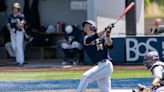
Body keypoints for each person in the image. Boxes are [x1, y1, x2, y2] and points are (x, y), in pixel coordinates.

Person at [77, 20, 114, 92]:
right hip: (99, 66)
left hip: (105, 64)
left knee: (86, 77)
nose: (84, 26)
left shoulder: (102, 38)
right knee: (106, 90)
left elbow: (110, 45)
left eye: (87, 25)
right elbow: (92, 38)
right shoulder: (84, 38)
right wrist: (105, 29)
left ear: (92, 26)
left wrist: (108, 35)